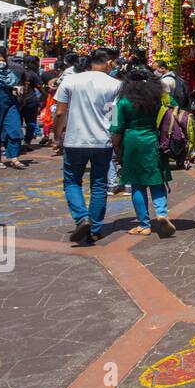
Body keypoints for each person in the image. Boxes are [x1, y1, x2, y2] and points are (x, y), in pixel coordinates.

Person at [53, 49, 121, 244]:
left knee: (72, 182)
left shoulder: (70, 81)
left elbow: (59, 112)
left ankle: (82, 217)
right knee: (99, 184)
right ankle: (96, 228)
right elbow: (115, 116)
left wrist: (57, 137)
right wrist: (116, 142)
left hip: (75, 140)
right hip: (103, 140)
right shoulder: (116, 84)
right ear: (108, 63)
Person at [110, 67, 175, 238]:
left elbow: (116, 128)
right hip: (154, 140)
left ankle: (144, 224)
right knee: (156, 180)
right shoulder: (159, 98)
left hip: (131, 143)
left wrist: (116, 148)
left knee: (137, 184)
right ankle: (162, 213)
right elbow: (174, 109)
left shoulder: (121, 102)